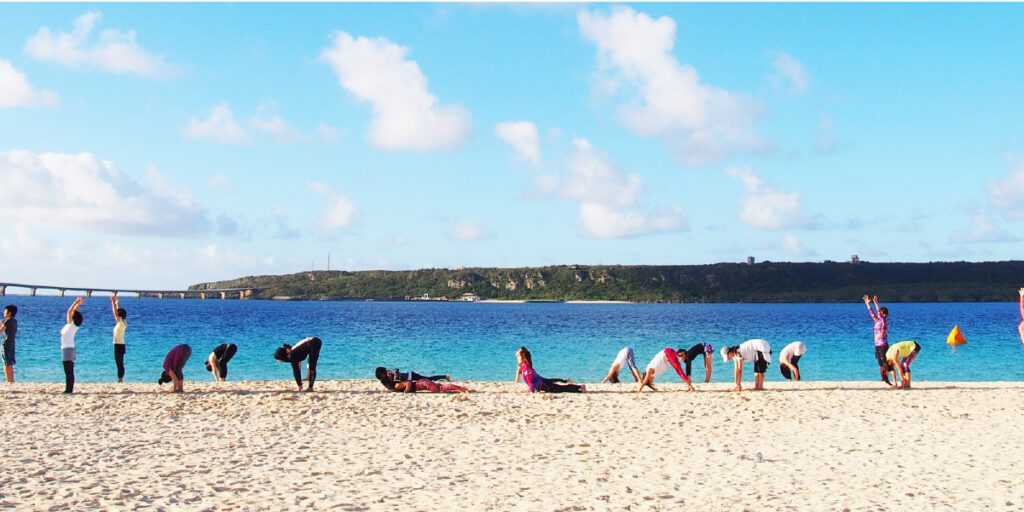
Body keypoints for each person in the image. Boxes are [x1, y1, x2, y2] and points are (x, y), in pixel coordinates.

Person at [514, 346, 585, 393]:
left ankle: (580, 388)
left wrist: (533, 391)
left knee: (561, 389)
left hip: (542, 384)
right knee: (555, 383)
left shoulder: (526, 368)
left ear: (524, 359)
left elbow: (531, 382)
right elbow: (520, 378)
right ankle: (570, 383)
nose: (517, 358)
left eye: (518, 357)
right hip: (541, 381)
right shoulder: (523, 367)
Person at [863, 294, 892, 385]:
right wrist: (868, 304)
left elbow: (879, 313)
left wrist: (876, 303)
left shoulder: (884, 322)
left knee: (884, 361)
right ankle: (882, 378)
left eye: (882, 313)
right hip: (877, 345)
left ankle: (886, 377)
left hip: (883, 344)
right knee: (880, 362)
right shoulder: (878, 321)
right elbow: (872, 313)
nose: (880, 314)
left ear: (885, 314)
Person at [60, 297, 84, 394]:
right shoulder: (72, 325)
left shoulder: (72, 325)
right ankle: (69, 389)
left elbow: (69, 311)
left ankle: (68, 389)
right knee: (69, 370)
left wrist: (76, 303)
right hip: (70, 349)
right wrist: (77, 304)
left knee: (68, 371)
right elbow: (71, 312)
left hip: (67, 349)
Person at [374, 366, 450, 390]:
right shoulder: (386, 379)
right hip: (409, 378)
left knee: (428, 379)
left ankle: (444, 376)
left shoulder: (389, 373)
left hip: (411, 376)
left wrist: (396, 378)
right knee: (427, 380)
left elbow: (396, 370)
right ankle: (444, 377)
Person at [110, 295, 127, 383]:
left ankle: (120, 380)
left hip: (119, 345)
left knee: (119, 363)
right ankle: (120, 379)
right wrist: (116, 303)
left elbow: (115, 313)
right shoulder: (122, 322)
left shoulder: (121, 323)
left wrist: (114, 302)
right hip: (120, 344)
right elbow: (117, 312)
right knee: (119, 363)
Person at [1, 304, 17, 383]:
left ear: (9, 313)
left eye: (5, 311)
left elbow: (1, 331)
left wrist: (2, 325)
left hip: (6, 344)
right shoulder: (14, 321)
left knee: (6, 363)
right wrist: (3, 324)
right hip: (12, 343)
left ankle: (8, 380)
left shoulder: (7, 321)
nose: (4, 312)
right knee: (10, 363)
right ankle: (12, 380)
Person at [392, 379, 469, 393]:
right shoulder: (397, 385)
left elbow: (408, 383)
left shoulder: (397, 386)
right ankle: (459, 388)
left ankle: (460, 389)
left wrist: (406, 391)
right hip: (422, 383)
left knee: (441, 388)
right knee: (440, 386)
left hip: (422, 384)